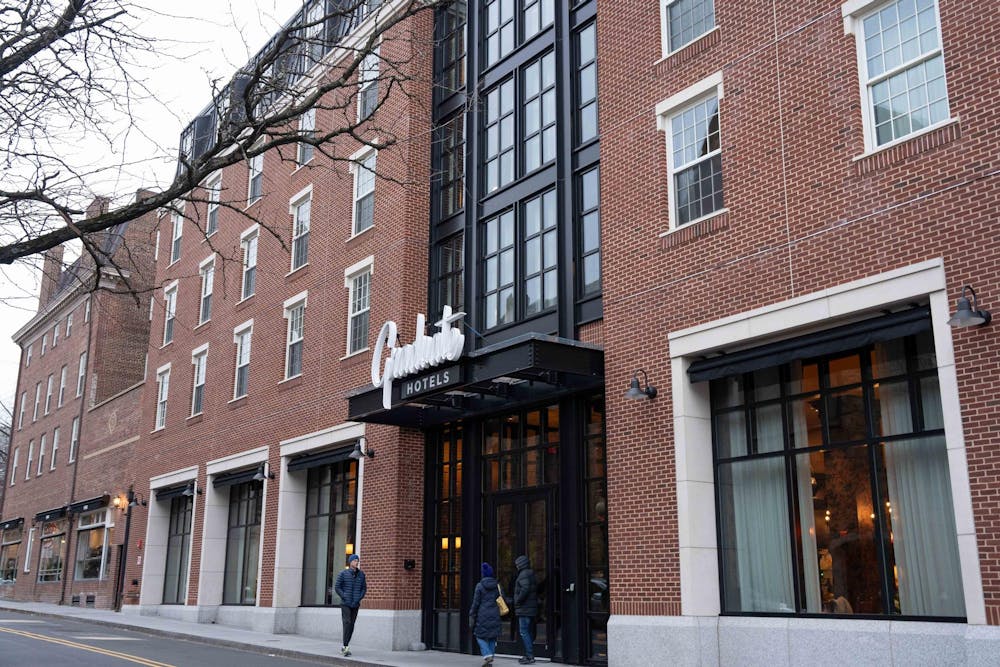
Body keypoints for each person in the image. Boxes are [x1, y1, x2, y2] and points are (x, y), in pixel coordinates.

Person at [469, 562, 502, 667]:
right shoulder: (497, 586)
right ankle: (490, 657)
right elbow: (502, 599)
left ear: (483, 574)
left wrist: (472, 613)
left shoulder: (479, 586)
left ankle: (487, 655)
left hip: (482, 615)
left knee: (479, 636)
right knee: (492, 637)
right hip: (495, 614)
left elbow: (476, 602)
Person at [334, 554, 367, 657]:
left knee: (351, 625)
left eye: (358, 561)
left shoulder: (361, 574)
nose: (357, 562)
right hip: (345, 603)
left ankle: (345, 646)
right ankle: (345, 646)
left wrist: (359, 598)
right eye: (355, 561)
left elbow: (364, 588)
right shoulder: (343, 573)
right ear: (350, 562)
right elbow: (337, 587)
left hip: (355, 604)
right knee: (347, 623)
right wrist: (344, 596)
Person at [513, 554, 538, 665]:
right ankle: (529, 654)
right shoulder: (531, 573)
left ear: (521, 564)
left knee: (524, 632)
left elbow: (525, 588)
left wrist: (517, 600)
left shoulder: (523, 574)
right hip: (530, 607)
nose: (516, 566)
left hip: (524, 608)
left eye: (517, 564)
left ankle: (529, 655)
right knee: (529, 631)